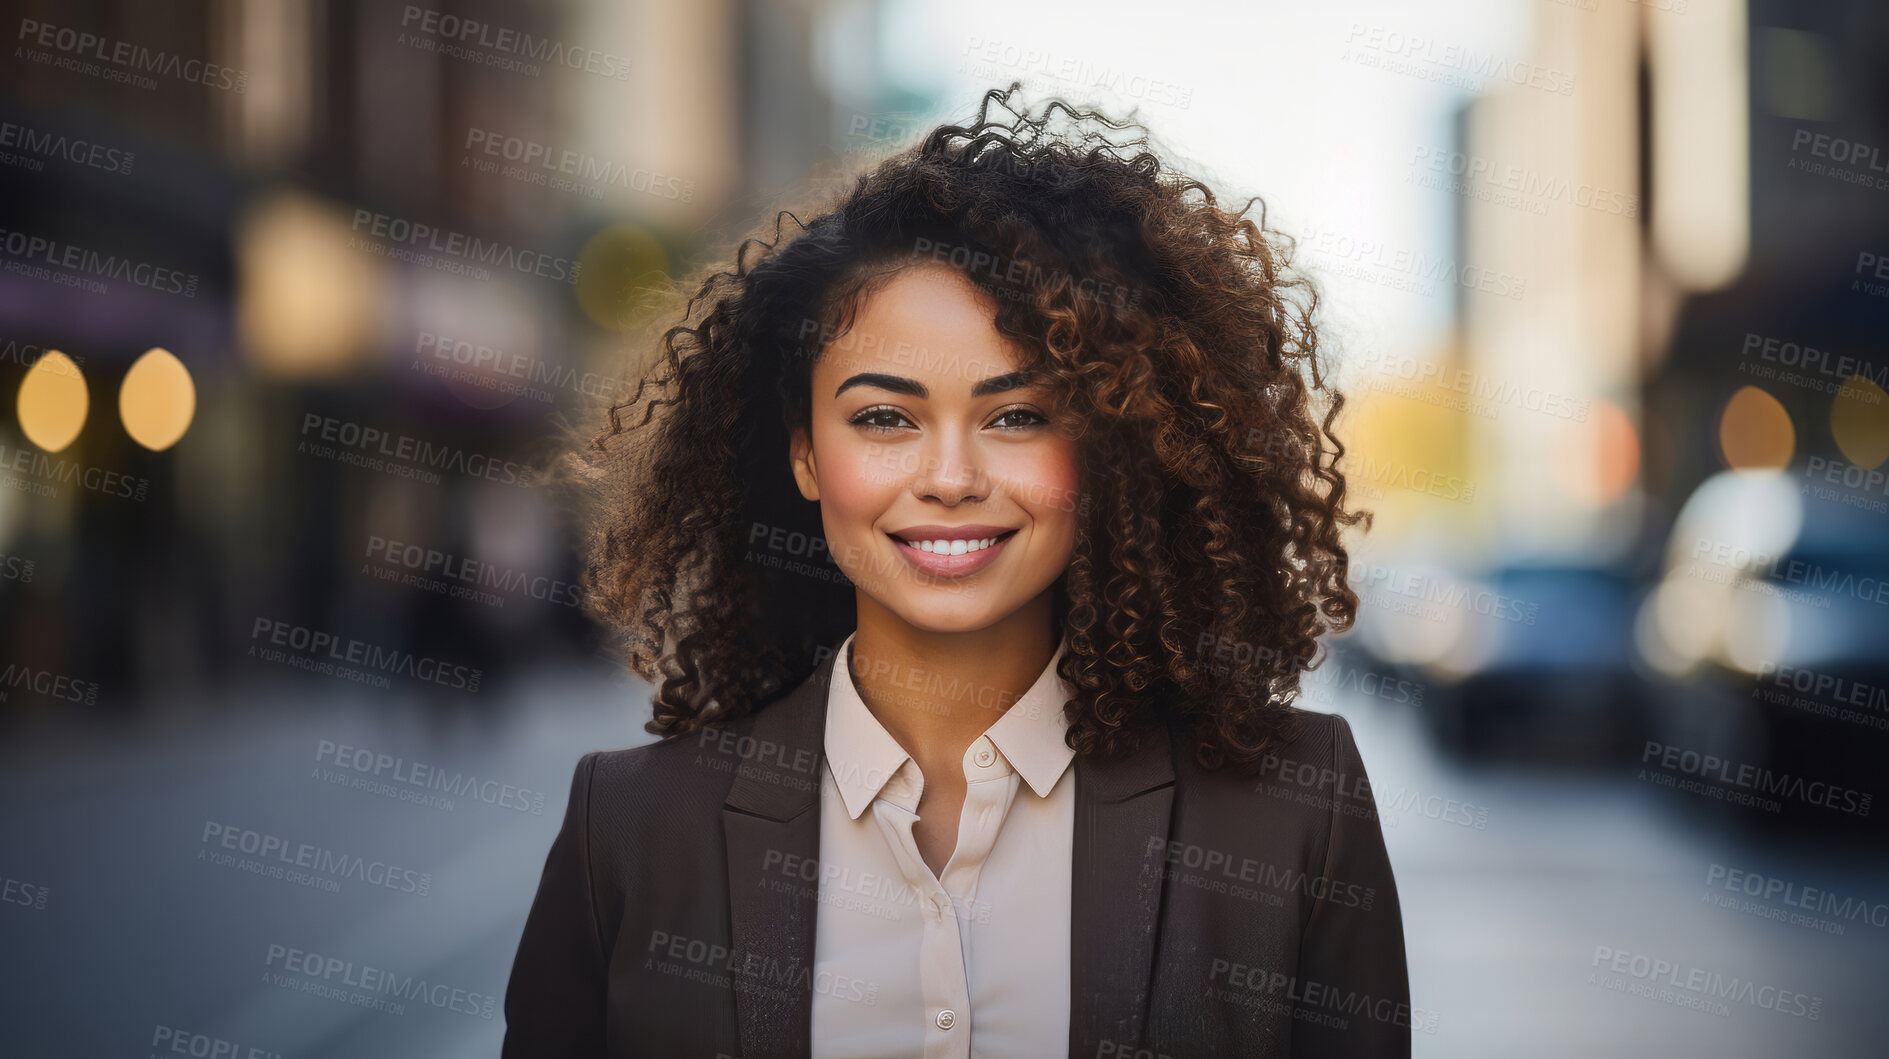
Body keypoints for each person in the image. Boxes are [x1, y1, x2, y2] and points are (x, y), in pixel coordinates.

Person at [504, 83, 1409, 1058]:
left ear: (1103, 444)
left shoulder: (1290, 813)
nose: (948, 479)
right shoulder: (632, 830)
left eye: (1015, 415)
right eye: (883, 418)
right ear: (804, 453)